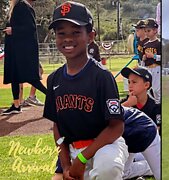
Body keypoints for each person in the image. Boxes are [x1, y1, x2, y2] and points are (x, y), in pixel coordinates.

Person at [43, 1, 128, 179]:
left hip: (105, 147)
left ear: (90, 36)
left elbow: (116, 127)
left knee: (108, 167)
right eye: (61, 33)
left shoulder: (101, 76)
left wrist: (81, 159)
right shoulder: (54, 79)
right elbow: (57, 127)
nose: (67, 38)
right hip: (74, 150)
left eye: (75, 32)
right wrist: (66, 165)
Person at [53, 106, 161, 180]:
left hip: (144, 129)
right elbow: (61, 142)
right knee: (122, 173)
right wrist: (65, 167)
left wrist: (64, 168)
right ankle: (147, 166)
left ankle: (150, 161)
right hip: (122, 138)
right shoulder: (67, 128)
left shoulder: (86, 120)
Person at [2, 0, 47, 115]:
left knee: (31, 78)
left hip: (23, 51)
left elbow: (30, 28)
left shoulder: (23, 6)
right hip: (16, 50)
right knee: (14, 77)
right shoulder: (17, 7)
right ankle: (16, 105)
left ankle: (53, 97)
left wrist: (13, 30)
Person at [120, 67, 161, 135]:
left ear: (146, 85)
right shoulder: (124, 103)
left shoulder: (156, 107)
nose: (130, 85)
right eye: (129, 82)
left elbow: (156, 132)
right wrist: (127, 105)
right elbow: (109, 121)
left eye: (134, 82)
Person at [142, 18, 161, 102]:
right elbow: (144, 61)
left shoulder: (159, 43)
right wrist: (143, 61)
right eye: (145, 31)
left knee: (157, 90)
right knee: (148, 90)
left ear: (155, 30)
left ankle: (159, 105)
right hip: (148, 68)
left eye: (148, 30)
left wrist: (153, 56)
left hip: (156, 68)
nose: (146, 33)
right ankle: (153, 106)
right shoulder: (145, 45)